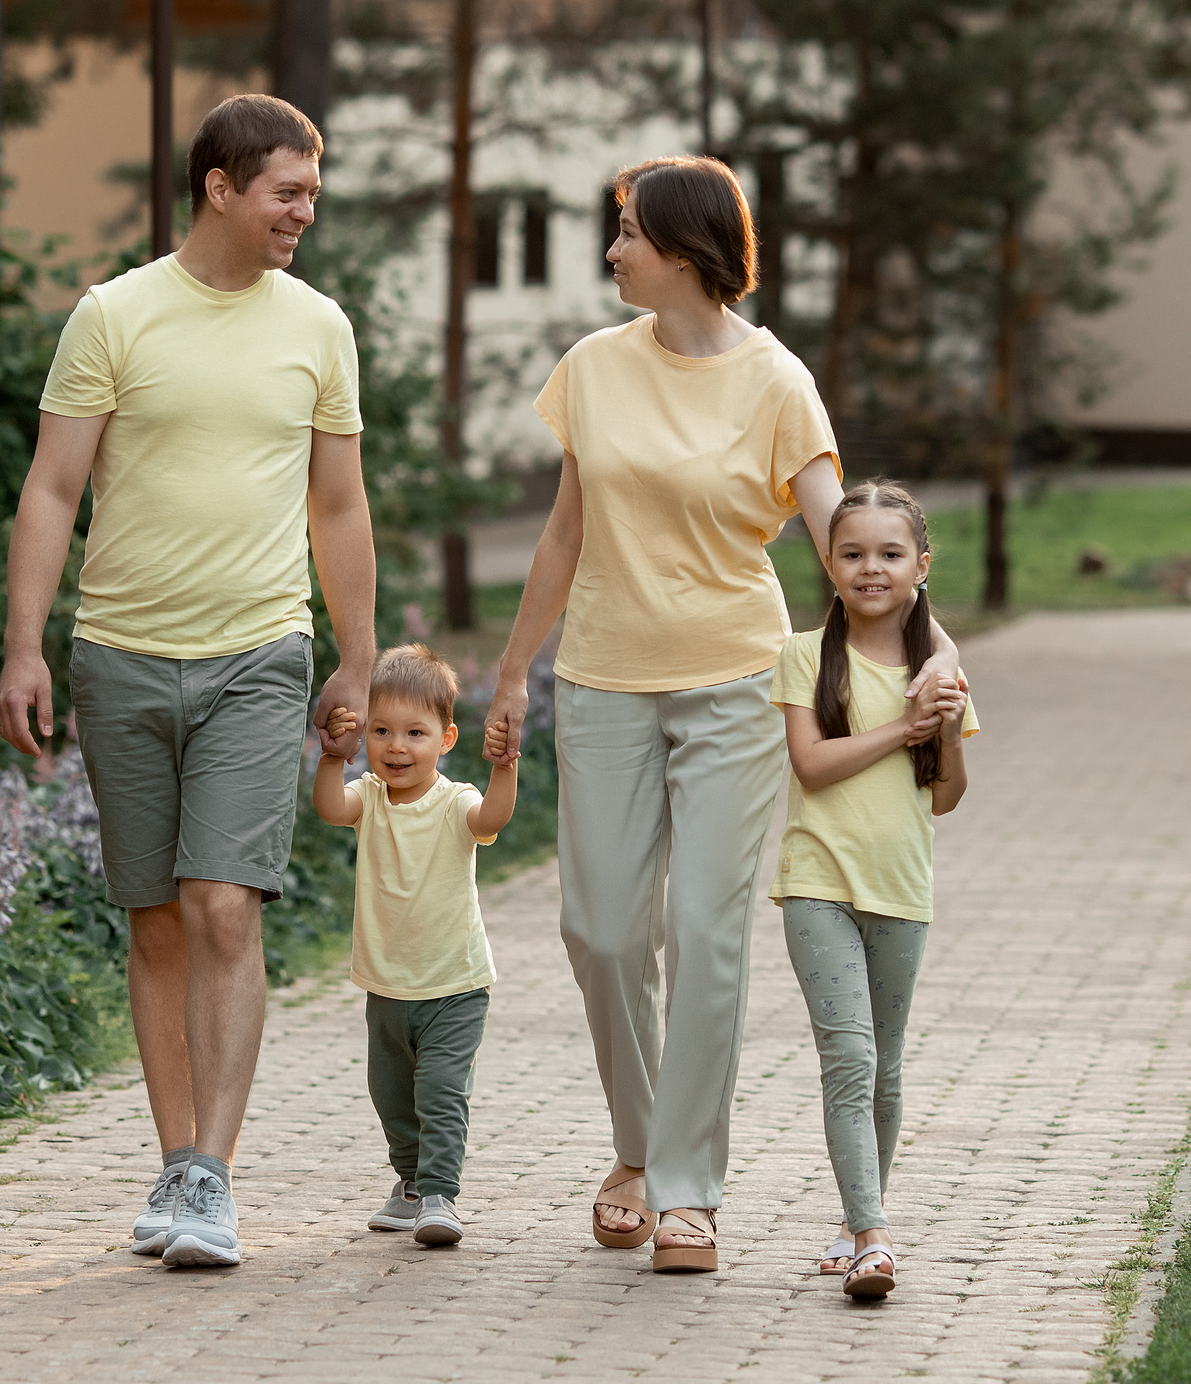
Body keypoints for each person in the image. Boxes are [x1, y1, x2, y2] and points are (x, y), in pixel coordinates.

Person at [481, 156, 957, 1275]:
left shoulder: (778, 384)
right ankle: (638, 1148)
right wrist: (511, 672)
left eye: (626, 233)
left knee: (703, 932)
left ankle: (684, 1190)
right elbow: (562, 534)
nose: (610, 251)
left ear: (685, 250)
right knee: (600, 932)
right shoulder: (592, 368)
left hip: (735, 684)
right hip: (601, 678)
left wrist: (927, 645)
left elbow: (853, 552)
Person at [0, 94, 376, 1270]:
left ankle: (210, 1173)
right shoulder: (114, 316)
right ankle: (173, 1161)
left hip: (259, 654)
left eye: (311, 194)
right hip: (118, 652)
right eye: (287, 193)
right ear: (219, 186)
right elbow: (54, 487)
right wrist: (23, 643)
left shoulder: (318, 327)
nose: (304, 213)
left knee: (222, 904)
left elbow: (339, 503)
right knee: (155, 918)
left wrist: (357, 652)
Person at [771, 480, 976, 1301]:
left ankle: (858, 1217)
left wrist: (947, 727)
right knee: (849, 1057)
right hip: (817, 883)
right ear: (828, 561)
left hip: (902, 890)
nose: (870, 568)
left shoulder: (939, 672)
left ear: (920, 565)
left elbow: (947, 794)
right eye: (852, 553)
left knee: (885, 1067)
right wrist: (903, 728)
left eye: (890, 554)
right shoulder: (802, 655)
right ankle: (874, 1236)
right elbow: (812, 764)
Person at [312, 645, 519, 1250]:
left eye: (414, 733)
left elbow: (490, 819)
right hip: (388, 984)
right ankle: (408, 1185)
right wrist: (332, 757)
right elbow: (330, 808)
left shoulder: (455, 803)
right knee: (391, 1094)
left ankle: (438, 1195)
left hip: (454, 985)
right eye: (380, 732)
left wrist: (504, 768)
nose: (396, 747)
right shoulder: (369, 797)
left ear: (447, 738)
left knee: (439, 1092)